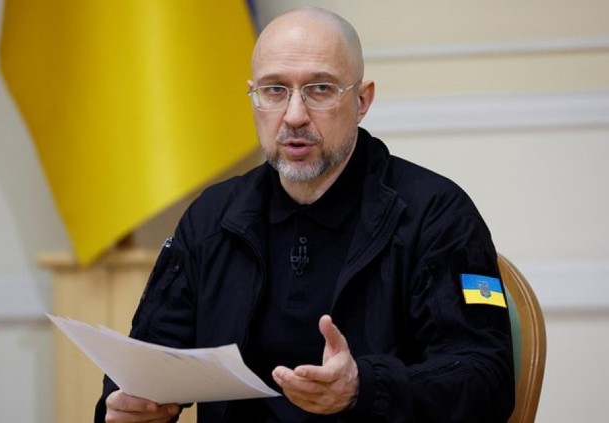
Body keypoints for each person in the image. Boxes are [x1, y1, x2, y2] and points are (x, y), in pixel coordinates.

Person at [95, 6, 514, 423]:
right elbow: (147, 359)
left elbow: (486, 379)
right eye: (274, 90)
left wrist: (363, 386)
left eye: (320, 89)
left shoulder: (437, 214)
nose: (294, 116)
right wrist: (127, 404)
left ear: (362, 100)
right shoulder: (212, 217)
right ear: (254, 97)